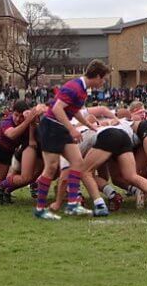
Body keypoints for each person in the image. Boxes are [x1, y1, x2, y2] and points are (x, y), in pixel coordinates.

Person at [33, 59, 111, 220]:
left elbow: (73, 111)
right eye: (103, 79)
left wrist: (88, 124)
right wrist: (72, 129)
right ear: (96, 76)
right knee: (51, 167)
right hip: (52, 127)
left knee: (78, 163)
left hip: (61, 128)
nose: (103, 82)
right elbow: (57, 108)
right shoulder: (74, 86)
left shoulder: (83, 90)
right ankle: (40, 209)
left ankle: (72, 205)